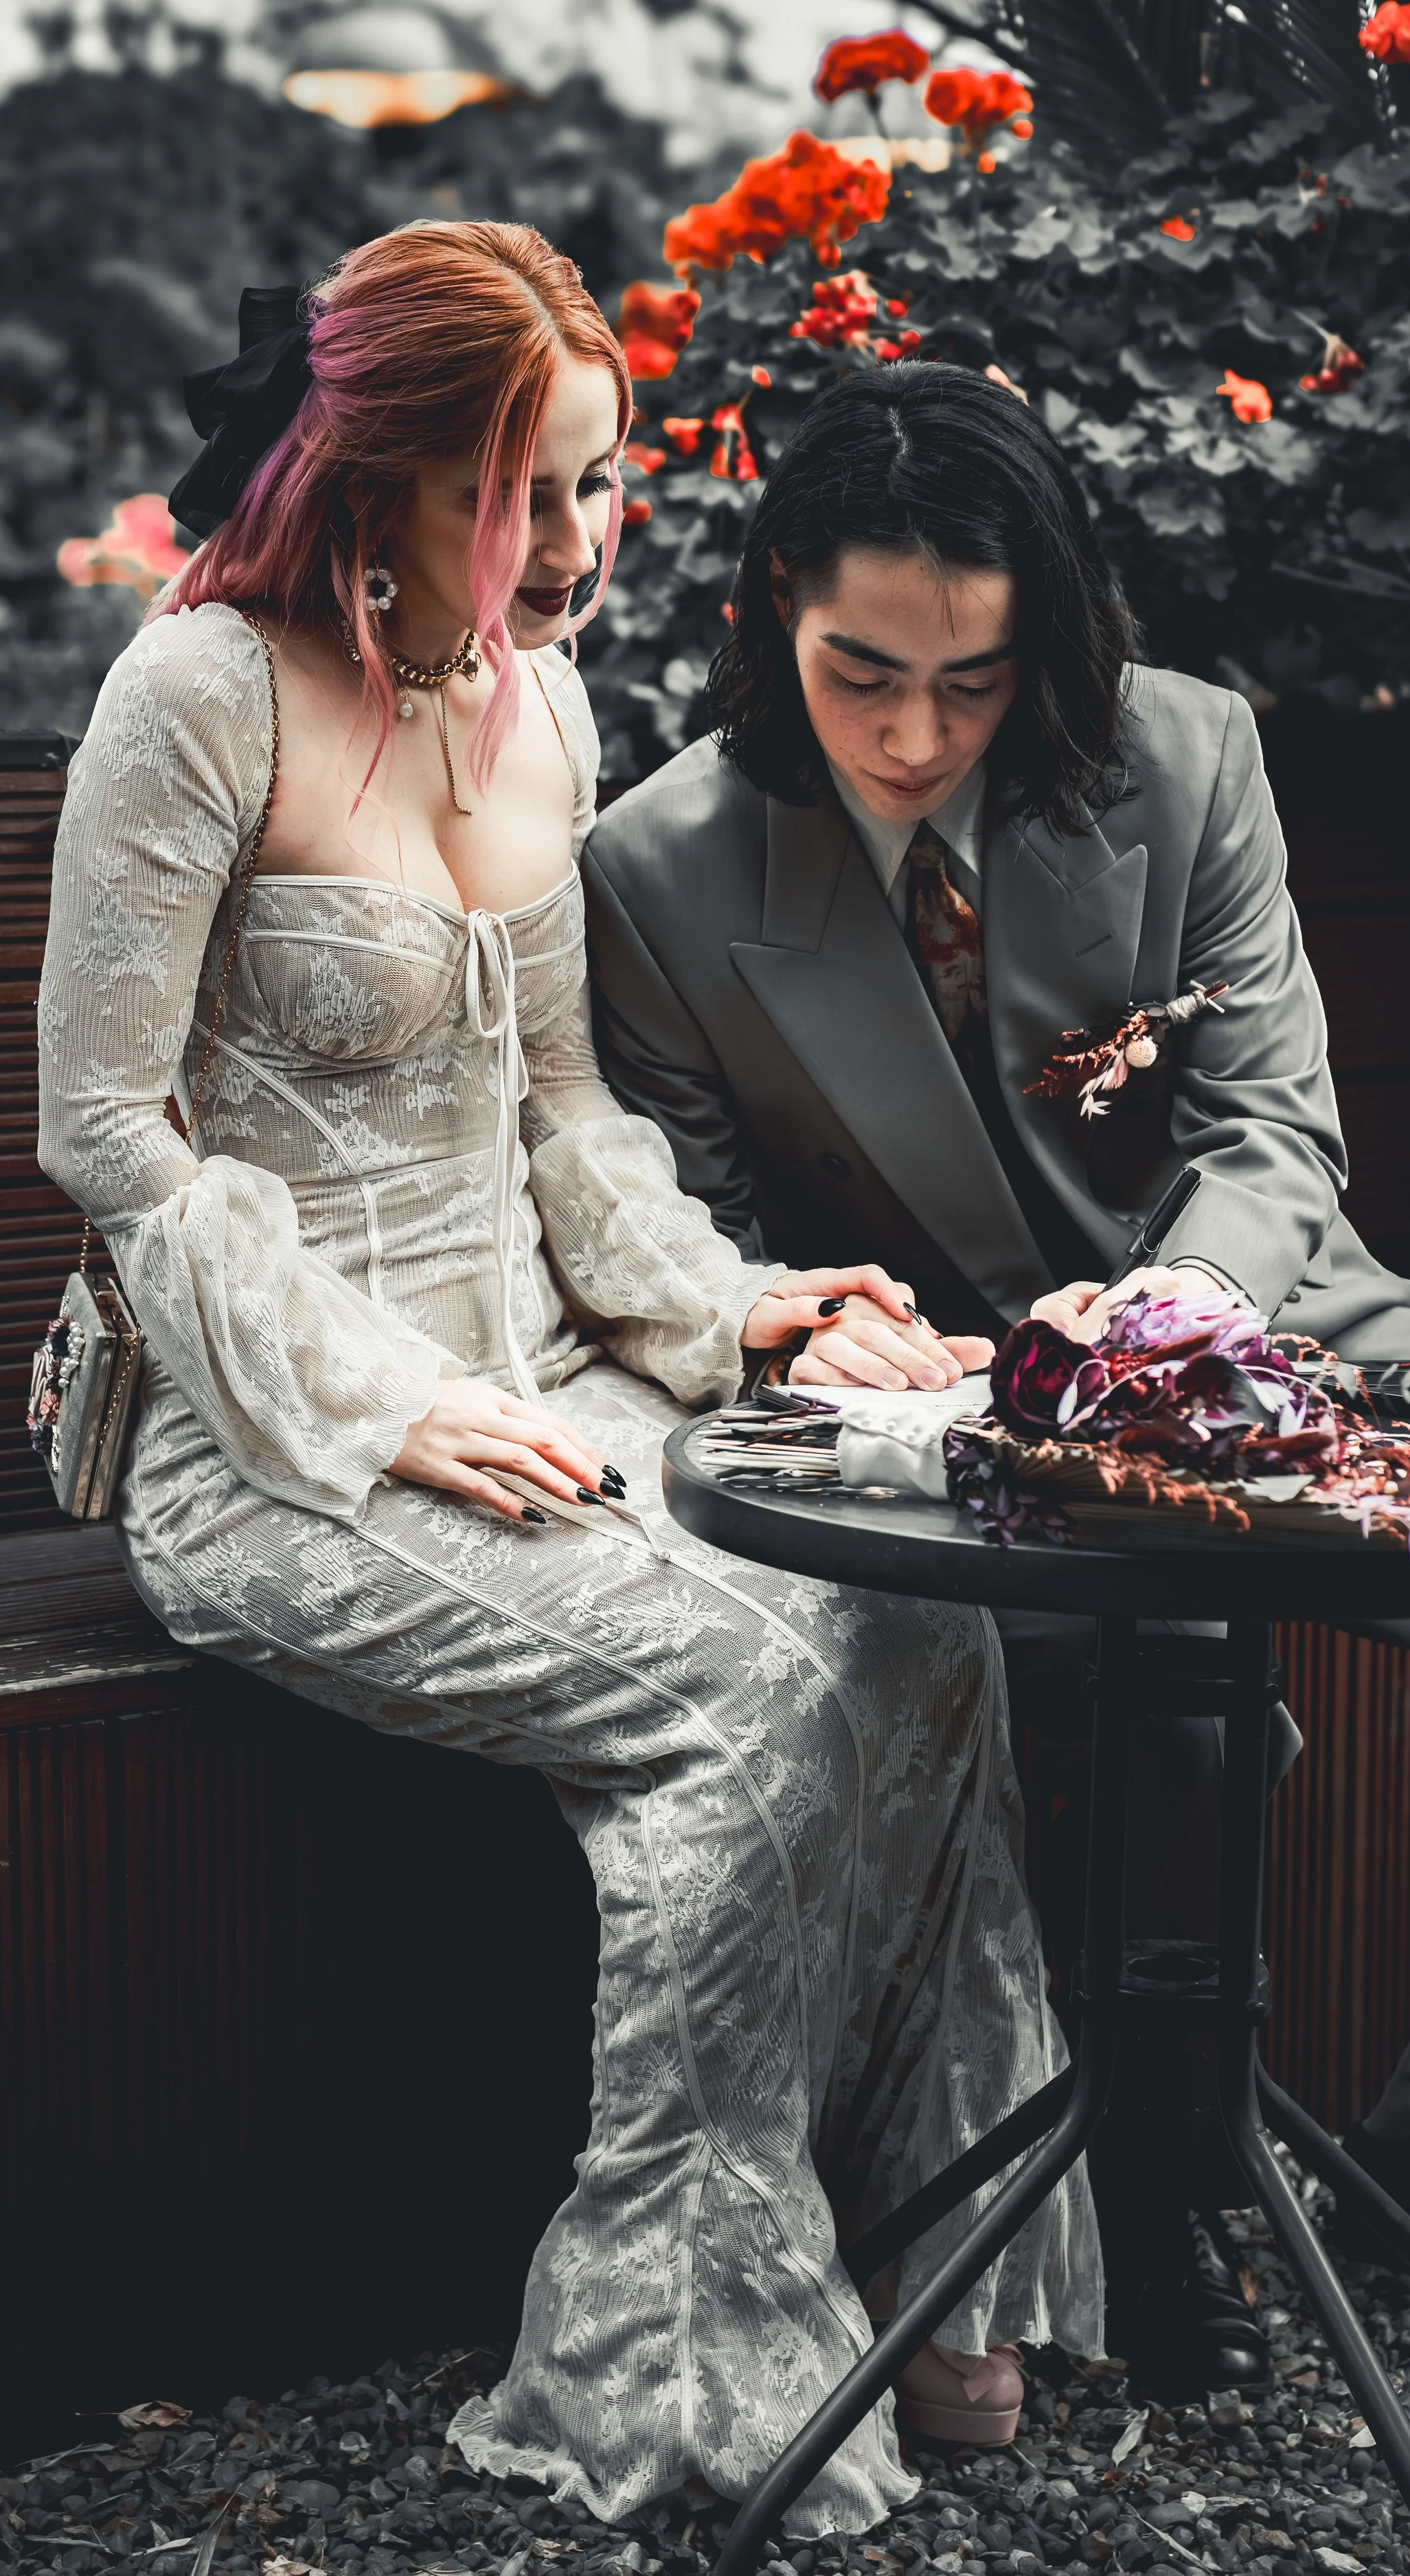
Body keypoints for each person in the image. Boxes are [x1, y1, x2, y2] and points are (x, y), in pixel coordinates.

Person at [36, 226, 1106, 2531]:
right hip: (267, 1432)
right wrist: (366, 1398)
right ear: (383, 477)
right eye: (536, 498)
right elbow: (105, 1129)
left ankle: (929, 2267)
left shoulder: (544, 702)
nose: (591, 549)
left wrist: (740, 1311)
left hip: (541, 1378)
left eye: (612, 492)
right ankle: (684, 2340)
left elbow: (558, 1121)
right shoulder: (199, 694)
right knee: (735, 1678)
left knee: (924, 1594)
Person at [582, 359, 1410, 2388]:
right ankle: (1152, 2174)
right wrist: (805, 1309)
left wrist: (1171, 1311)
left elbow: (1272, 1126)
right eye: (862, 675)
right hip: (937, 1393)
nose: (919, 735)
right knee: (1134, 1656)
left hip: (1261, 1309)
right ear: (770, 602)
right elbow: (700, 1231)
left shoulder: (1183, 758)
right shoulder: (658, 870)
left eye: (977, 680)